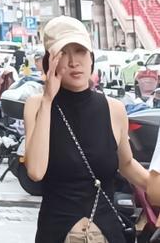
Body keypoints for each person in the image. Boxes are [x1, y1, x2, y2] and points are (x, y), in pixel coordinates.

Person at [23, 16, 151, 243]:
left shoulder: (114, 109)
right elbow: (35, 171)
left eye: (80, 51)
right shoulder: (38, 105)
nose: (74, 62)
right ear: (50, 61)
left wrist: (155, 185)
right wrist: (48, 99)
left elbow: (127, 164)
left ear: (91, 57)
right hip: (58, 232)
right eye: (63, 53)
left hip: (107, 233)